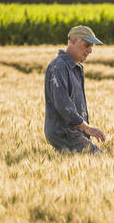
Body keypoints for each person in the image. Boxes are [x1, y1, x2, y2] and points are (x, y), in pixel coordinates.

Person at [44, 25, 106, 153]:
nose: (90, 51)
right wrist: (86, 127)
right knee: (98, 158)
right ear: (73, 41)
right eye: (87, 45)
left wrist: (84, 129)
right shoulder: (58, 66)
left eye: (92, 47)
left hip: (75, 131)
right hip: (64, 132)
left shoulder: (78, 68)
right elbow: (63, 104)